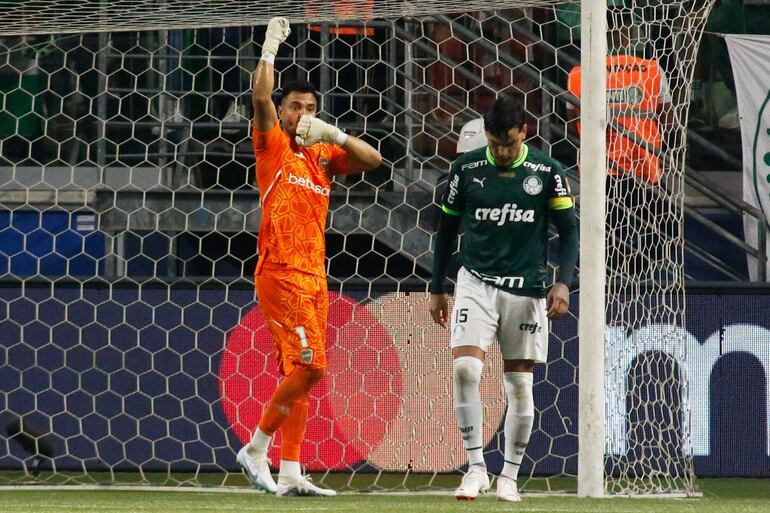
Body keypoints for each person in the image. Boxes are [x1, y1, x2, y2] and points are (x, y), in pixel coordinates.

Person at [235, 17, 382, 497]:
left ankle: (293, 471)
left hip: (314, 274)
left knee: (298, 373)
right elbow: (259, 98)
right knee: (312, 366)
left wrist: (335, 136)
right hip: (280, 272)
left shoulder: (321, 156)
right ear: (283, 112)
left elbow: (374, 161)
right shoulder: (272, 144)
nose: (302, 113)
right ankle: (256, 448)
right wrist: (270, 48)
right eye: (295, 106)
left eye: (310, 107)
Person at [429, 96, 578, 502]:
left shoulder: (548, 171)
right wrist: (437, 287)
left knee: (519, 385)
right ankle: (476, 468)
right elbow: (445, 230)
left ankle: (509, 476)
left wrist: (563, 282)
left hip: (527, 289)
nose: (501, 152)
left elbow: (569, 231)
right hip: (475, 282)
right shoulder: (467, 169)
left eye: (508, 144)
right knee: (465, 370)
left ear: (524, 132)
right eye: (495, 145)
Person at [566, 10, 672, 185]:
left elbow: (572, 122)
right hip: (645, 163)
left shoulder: (579, 73)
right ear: (630, 34)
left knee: (601, 211)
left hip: (598, 167)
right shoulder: (652, 69)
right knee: (653, 210)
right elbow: (667, 117)